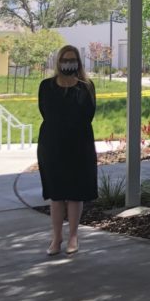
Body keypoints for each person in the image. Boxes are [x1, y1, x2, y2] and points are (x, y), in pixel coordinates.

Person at [37, 45, 97, 256]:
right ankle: (56, 237)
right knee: (56, 194)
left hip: (79, 145)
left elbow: (89, 114)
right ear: (58, 62)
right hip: (52, 145)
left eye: (72, 60)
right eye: (65, 59)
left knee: (74, 193)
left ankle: (73, 236)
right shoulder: (46, 86)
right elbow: (45, 111)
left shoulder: (86, 87)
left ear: (78, 62)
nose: (68, 63)